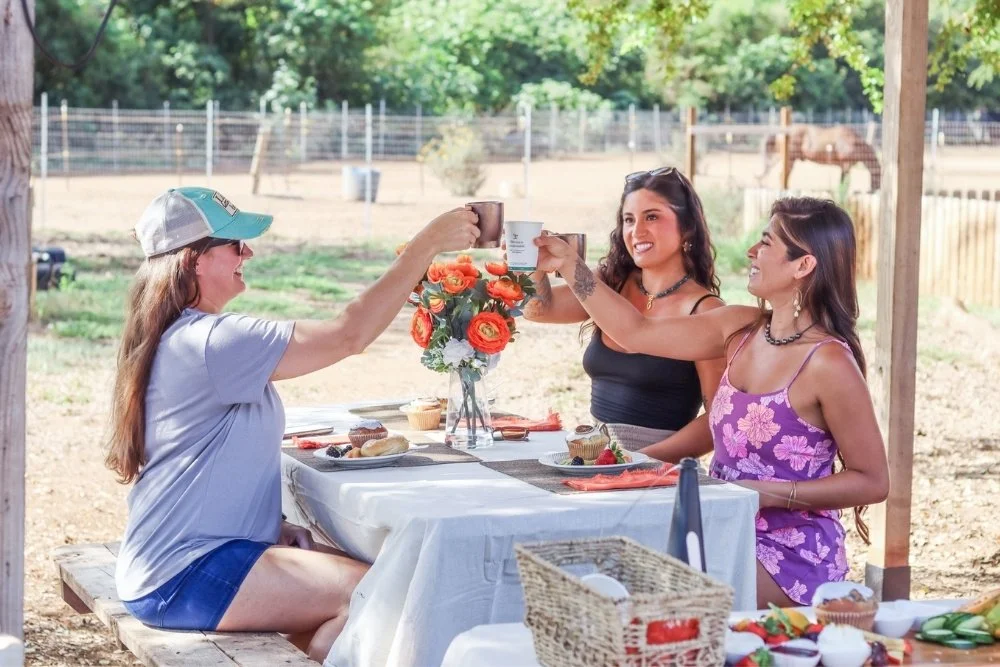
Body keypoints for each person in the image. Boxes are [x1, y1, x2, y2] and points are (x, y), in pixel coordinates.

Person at [106, 187, 479, 662]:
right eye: (234, 244)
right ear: (194, 261)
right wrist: (426, 244)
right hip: (182, 575)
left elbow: (205, 458)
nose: (249, 252)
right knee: (381, 595)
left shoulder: (185, 334)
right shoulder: (214, 340)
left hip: (183, 560)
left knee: (384, 585)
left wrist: (269, 524)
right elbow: (349, 334)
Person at [534, 196, 890, 608]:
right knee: (594, 572)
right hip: (716, 522)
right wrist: (570, 267)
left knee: (646, 598)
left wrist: (767, 493)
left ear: (803, 265)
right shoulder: (738, 328)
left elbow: (872, 480)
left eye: (767, 243)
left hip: (787, 555)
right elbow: (636, 332)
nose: (753, 252)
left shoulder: (829, 362)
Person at [523, 167, 726, 460]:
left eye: (652, 217)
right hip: (595, 458)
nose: (637, 231)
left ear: (687, 227)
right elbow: (540, 310)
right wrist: (535, 266)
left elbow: (718, 420)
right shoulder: (612, 283)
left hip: (655, 470)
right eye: (628, 220)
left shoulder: (705, 311)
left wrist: (638, 460)